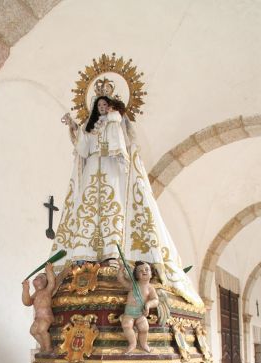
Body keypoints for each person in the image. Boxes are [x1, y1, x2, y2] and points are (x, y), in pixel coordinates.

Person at [54, 95, 203, 308]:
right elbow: (84, 146)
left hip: (112, 167)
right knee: (88, 210)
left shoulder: (116, 121)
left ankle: (112, 253)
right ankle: (84, 253)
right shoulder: (92, 125)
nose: (102, 108)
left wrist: (114, 126)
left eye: (105, 105)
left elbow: (122, 144)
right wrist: (73, 127)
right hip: (93, 166)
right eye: (99, 106)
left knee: (112, 209)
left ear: (111, 106)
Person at [117, 260, 159, 353]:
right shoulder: (132, 285)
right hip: (129, 313)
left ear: (151, 274)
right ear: (136, 275)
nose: (144, 271)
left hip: (140, 313)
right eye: (140, 270)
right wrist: (121, 269)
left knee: (144, 328)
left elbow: (156, 300)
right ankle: (132, 343)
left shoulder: (150, 288)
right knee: (127, 325)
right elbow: (121, 279)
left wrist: (148, 305)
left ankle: (144, 344)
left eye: (146, 269)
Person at [22, 262, 56, 353]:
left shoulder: (47, 290)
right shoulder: (35, 294)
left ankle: (49, 348)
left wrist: (49, 271)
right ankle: (43, 346)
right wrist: (25, 289)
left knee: (42, 330)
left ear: (46, 282)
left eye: (41, 277)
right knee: (33, 331)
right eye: (37, 277)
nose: (37, 277)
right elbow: (27, 302)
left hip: (46, 317)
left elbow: (52, 282)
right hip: (38, 318)